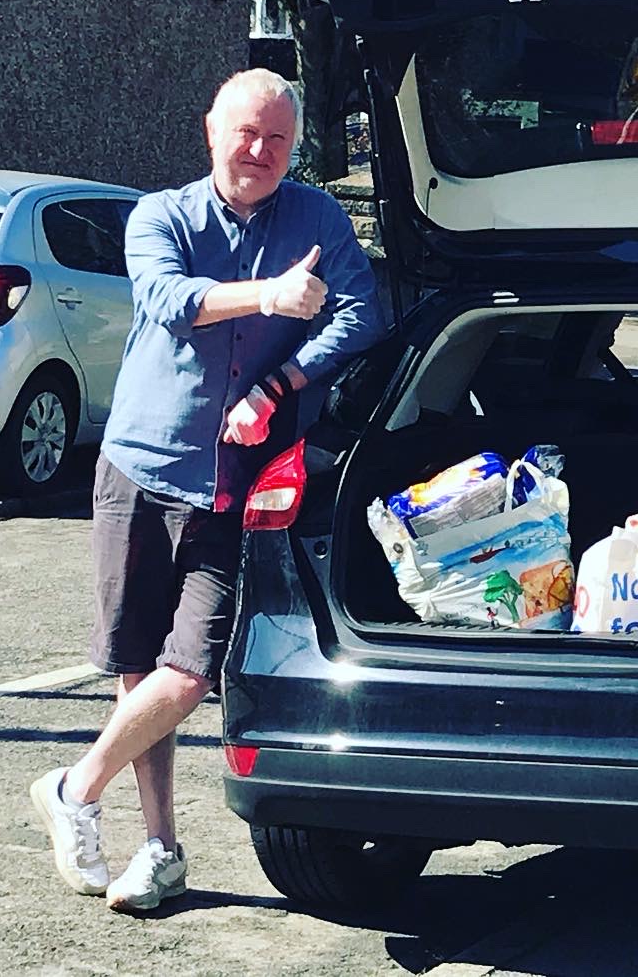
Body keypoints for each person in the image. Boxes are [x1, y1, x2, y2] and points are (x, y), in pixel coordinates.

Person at [29, 69, 382, 914]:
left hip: (238, 485)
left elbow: (364, 309)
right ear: (210, 131)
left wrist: (282, 382)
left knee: (189, 673)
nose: (259, 152)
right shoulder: (161, 216)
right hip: (141, 470)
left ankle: (74, 786)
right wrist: (270, 296)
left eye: (278, 140)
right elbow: (167, 299)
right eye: (246, 134)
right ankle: (160, 850)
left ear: (295, 147)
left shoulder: (318, 218)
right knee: (136, 669)